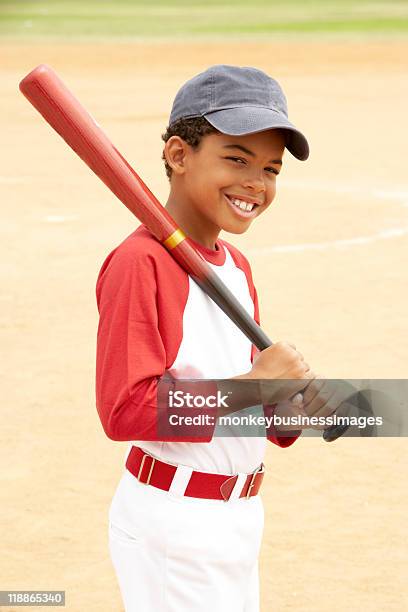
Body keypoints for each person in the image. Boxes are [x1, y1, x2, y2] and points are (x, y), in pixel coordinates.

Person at [95, 65, 336, 612]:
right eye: (237, 158)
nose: (257, 182)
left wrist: (285, 409)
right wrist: (253, 388)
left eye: (271, 168)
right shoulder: (140, 263)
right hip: (175, 521)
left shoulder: (236, 266)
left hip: (238, 517)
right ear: (179, 155)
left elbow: (245, 401)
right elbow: (124, 410)